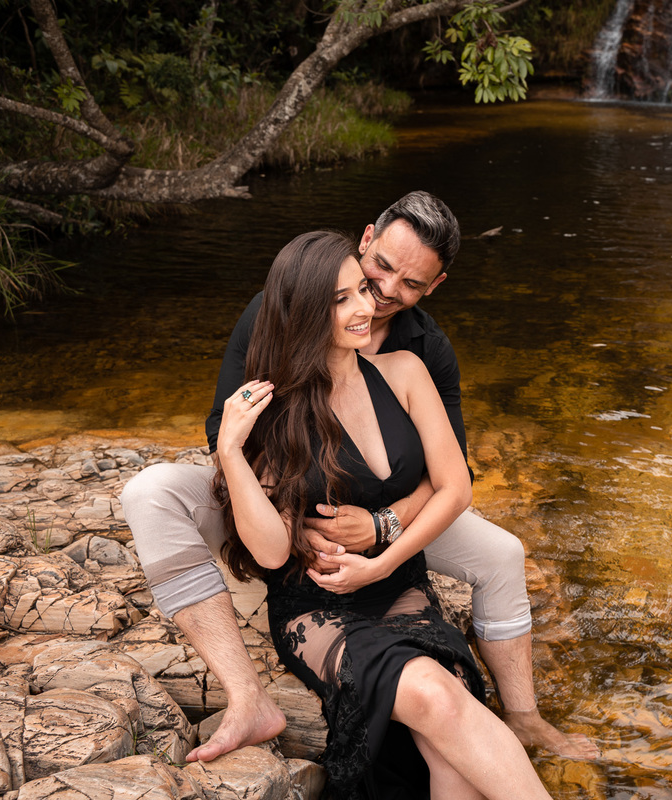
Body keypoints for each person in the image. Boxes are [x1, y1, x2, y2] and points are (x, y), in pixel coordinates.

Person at [120, 191, 597, 762]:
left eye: (413, 284)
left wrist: (383, 526)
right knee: (149, 493)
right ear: (366, 239)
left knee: (503, 554)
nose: (389, 291)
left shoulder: (425, 352)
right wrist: (292, 522)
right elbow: (226, 426)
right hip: (284, 501)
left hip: (386, 506)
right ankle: (247, 698)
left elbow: (450, 474)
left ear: (435, 287)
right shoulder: (283, 308)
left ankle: (523, 717)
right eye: (385, 266)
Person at [216, 230, 552, 799]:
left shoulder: (405, 372)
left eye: (361, 291)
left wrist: (382, 560)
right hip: (317, 608)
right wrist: (230, 453)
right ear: (302, 312)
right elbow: (271, 551)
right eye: (342, 299)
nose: (366, 307)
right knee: (438, 698)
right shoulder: (277, 406)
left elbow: (454, 487)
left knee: (446, 751)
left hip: (401, 585)